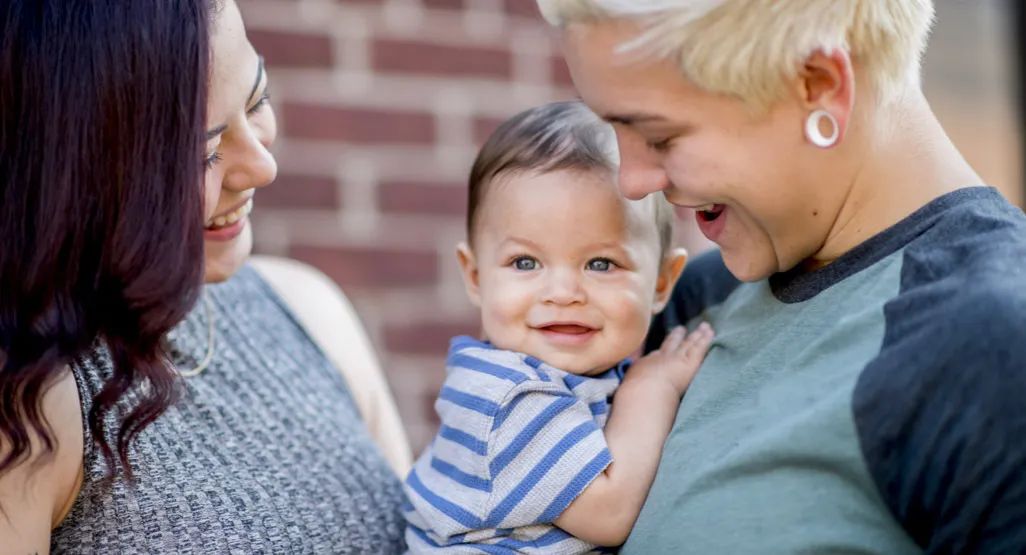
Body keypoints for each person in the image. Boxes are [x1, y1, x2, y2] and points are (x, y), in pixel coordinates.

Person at [536, 0, 1026, 553]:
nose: (632, 180)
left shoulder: (992, 344)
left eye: (660, 136)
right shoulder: (696, 302)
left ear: (818, 85)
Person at [0, 1, 410, 552]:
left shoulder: (306, 309)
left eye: (258, 97)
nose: (262, 166)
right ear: (76, 172)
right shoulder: (32, 405)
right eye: (202, 155)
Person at [401, 101, 714, 553]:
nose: (564, 292)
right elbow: (609, 513)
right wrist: (653, 387)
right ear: (476, 276)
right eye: (525, 262)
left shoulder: (567, 380)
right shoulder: (505, 396)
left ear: (662, 281)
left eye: (601, 263)